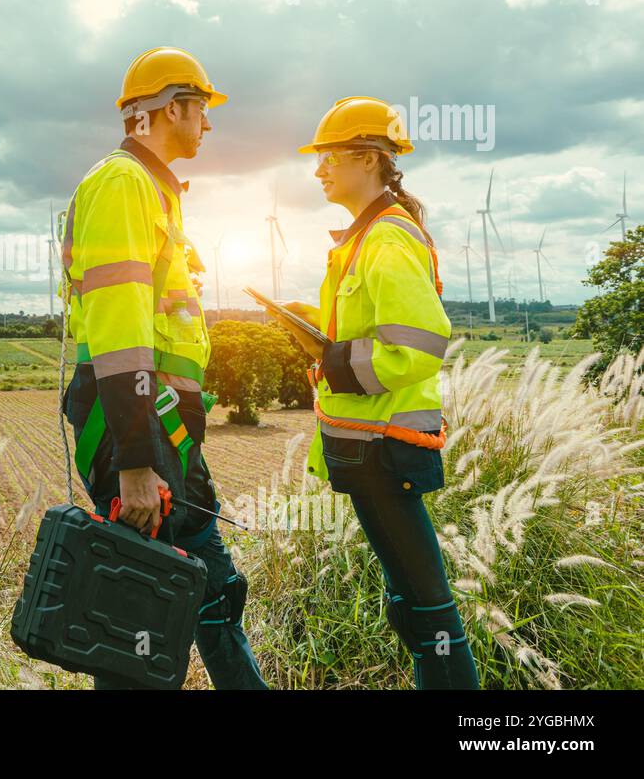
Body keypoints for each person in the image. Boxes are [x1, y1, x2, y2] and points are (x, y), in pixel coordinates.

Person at [60, 46, 268, 690]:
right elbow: (122, 334)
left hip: (168, 432)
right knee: (139, 627)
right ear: (172, 107)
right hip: (140, 434)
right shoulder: (123, 186)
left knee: (210, 594)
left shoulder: (152, 190)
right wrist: (136, 462)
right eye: (202, 109)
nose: (208, 125)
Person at [269, 96, 480, 689]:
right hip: (369, 448)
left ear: (368, 159)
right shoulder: (363, 239)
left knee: (428, 607)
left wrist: (333, 361)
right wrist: (319, 334)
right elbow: (374, 332)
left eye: (328, 157)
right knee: (409, 603)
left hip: (387, 448)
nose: (319, 170)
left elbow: (417, 346)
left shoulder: (387, 241)